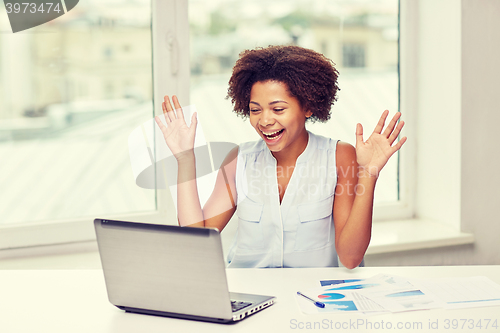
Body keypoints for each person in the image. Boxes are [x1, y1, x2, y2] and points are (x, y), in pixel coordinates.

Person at [155, 45, 406, 269]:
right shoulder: (239, 160)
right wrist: (185, 160)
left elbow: (350, 258)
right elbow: (197, 245)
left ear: (308, 107)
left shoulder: (339, 156)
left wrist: (369, 174)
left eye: (278, 109)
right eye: (255, 110)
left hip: (311, 298)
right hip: (250, 295)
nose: (264, 120)